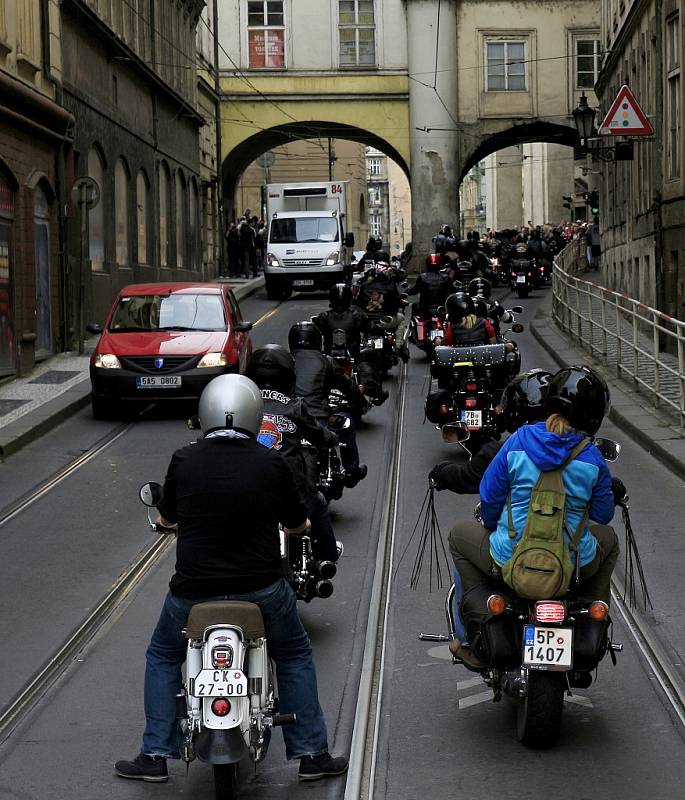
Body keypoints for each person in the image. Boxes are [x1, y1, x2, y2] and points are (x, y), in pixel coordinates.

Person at [114, 375, 348, 783]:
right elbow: (297, 522)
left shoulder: (184, 459)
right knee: (292, 652)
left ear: (205, 412)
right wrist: (298, 527)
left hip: (193, 592)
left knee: (163, 655)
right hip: (262, 590)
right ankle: (312, 752)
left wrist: (169, 520)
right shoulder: (270, 461)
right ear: (254, 414)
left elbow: (167, 517)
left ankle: (155, 753)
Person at [447, 365, 619, 668]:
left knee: (458, 537)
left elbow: (489, 496)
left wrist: (492, 526)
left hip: (509, 556)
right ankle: (593, 612)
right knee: (610, 542)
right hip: (572, 564)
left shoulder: (518, 441)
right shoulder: (592, 458)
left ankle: (467, 631)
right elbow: (603, 516)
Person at [245, 345, 341, 563]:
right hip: (291, 486)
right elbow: (319, 435)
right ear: (288, 375)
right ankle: (329, 556)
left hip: (250, 482)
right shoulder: (294, 406)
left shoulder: (244, 404)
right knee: (318, 502)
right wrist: (333, 438)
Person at [288, 321, 367, 487]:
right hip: (319, 419)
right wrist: (360, 402)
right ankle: (351, 470)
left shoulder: (285, 360)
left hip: (290, 417)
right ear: (318, 340)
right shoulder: (327, 361)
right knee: (346, 422)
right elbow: (349, 387)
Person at [313, 284, 388, 405]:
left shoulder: (324, 316)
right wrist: (381, 330)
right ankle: (377, 393)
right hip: (352, 356)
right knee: (370, 360)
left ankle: (375, 392)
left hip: (329, 358)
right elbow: (370, 328)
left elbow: (314, 335)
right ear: (349, 298)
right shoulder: (356, 315)